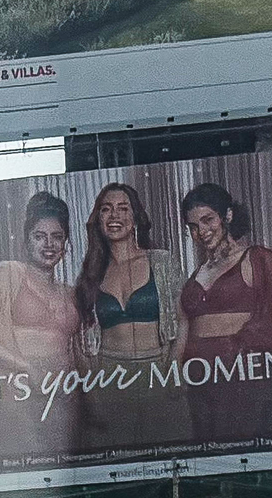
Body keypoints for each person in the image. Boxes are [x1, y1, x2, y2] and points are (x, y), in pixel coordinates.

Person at [177, 184, 272, 444]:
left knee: (239, 444)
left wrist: (251, 339)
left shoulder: (256, 258)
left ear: (227, 215)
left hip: (238, 371)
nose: (201, 231)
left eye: (208, 220)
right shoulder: (198, 272)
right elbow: (184, 328)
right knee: (205, 450)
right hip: (197, 377)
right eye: (193, 226)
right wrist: (175, 376)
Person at [72, 183, 190, 448]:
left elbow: (183, 319)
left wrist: (174, 367)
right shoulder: (91, 274)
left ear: (136, 217)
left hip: (159, 371)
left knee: (170, 454)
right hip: (110, 376)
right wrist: (92, 392)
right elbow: (78, 340)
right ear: (98, 219)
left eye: (123, 208)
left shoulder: (161, 261)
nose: (114, 215)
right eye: (106, 209)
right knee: (117, 458)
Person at [0, 192, 82, 458]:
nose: (49, 244)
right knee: (25, 464)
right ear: (26, 240)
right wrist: (27, 368)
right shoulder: (7, 274)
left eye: (57, 236)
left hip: (65, 394)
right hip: (19, 392)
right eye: (40, 236)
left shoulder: (70, 292)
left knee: (66, 464)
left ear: (66, 243)